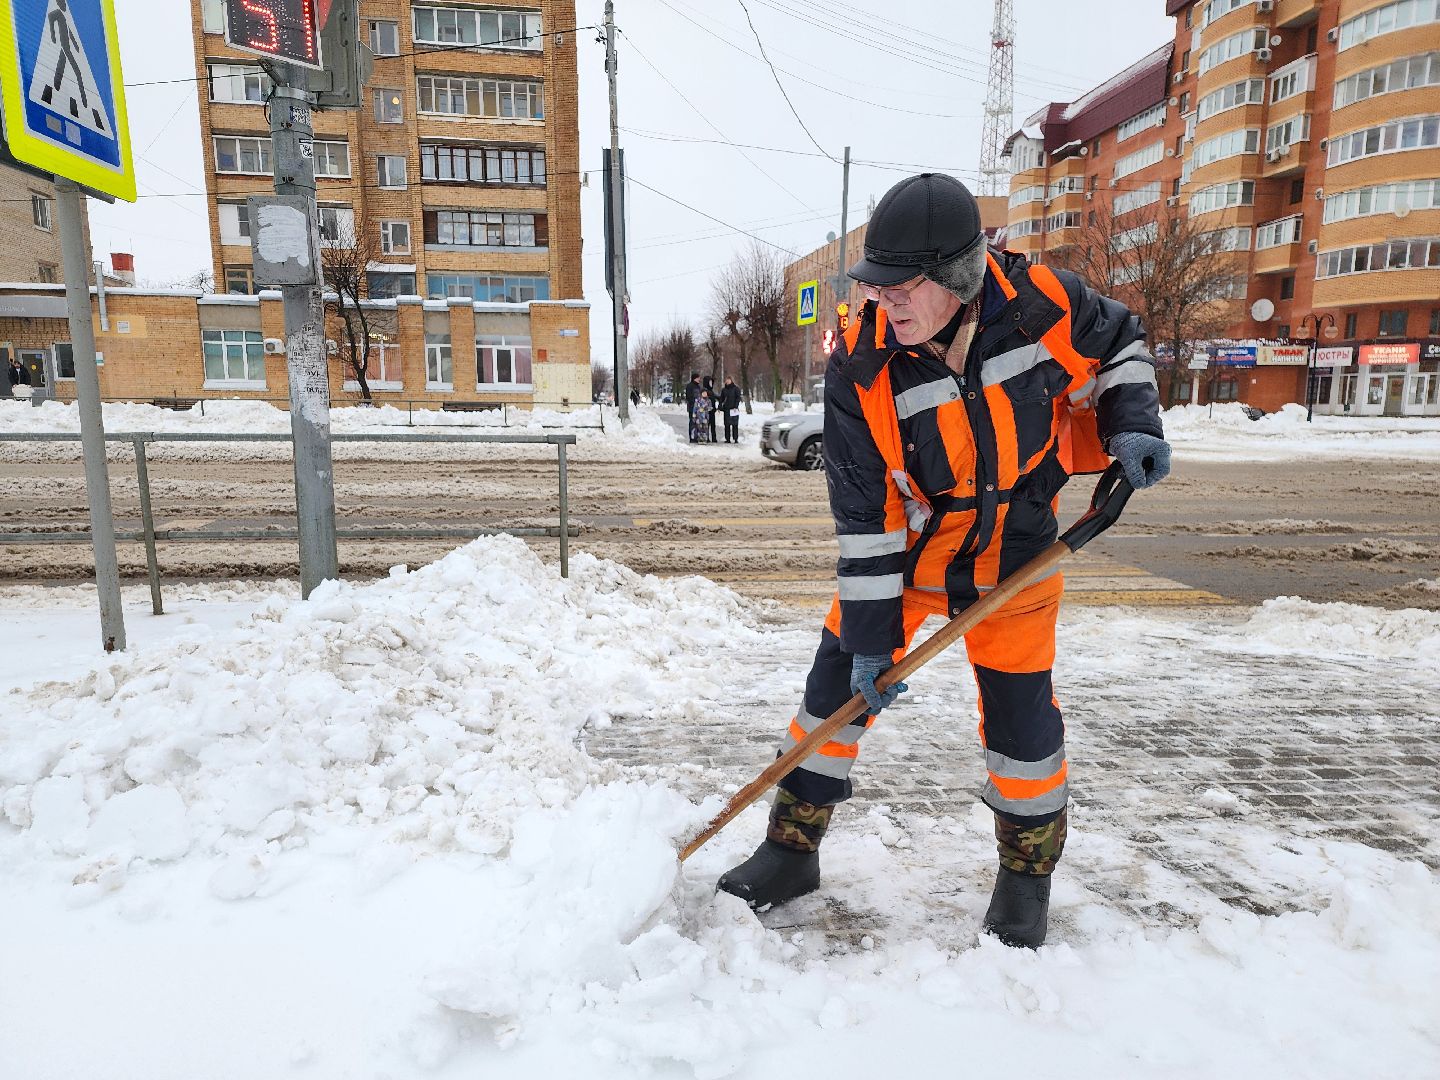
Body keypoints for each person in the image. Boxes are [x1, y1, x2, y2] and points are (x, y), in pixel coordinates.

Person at [716, 173, 1171, 948]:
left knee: (1023, 728)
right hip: (913, 553)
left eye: (901, 288)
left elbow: (1121, 342)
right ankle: (791, 853)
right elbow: (862, 516)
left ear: (957, 278)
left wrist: (1134, 423)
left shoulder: (1042, 304)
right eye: (876, 285)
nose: (882, 302)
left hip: (1018, 551)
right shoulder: (861, 362)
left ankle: (1025, 881)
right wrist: (868, 638)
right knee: (831, 697)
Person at [719, 377, 742, 443]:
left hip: (734, 409)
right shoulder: (724, 390)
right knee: (727, 424)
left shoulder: (736, 388)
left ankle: (735, 438)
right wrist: (720, 406)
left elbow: (738, 398)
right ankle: (727, 438)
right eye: (726, 380)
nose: (727, 381)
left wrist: (736, 406)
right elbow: (721, 398)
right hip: (726, 409)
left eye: (729, 380)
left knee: (735, 424)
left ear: (731, 380)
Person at [684, 372, 703, 443]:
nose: (699, 379)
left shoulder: (699, 387)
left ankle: (697, 436)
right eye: (698, 378)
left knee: (698, 423)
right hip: (692, 408)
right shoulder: (689, 386)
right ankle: (692, 437)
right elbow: (688, 397)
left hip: (698, 408)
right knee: (692, 422)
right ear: (695, 378)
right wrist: (695, 402)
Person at [703, 375, 719, 443]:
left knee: (713, 425)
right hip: (707, 410)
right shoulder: (704, 391)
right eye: (709, 382)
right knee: (707, 425)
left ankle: (714, 437)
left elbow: (715, 397)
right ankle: (707, 437)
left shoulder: (711, 391)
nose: (711, 384)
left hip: (712, 410)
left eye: (711, 382)